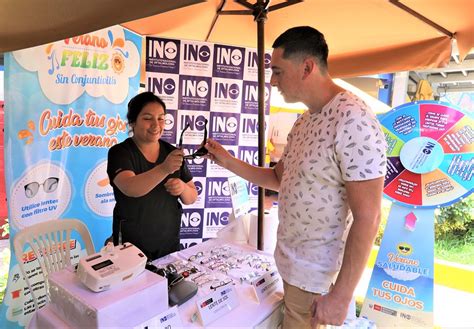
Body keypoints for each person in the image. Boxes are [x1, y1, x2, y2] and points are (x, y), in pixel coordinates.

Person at [205, 26, 387, 328]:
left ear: (307, 67)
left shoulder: (353, 119)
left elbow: (368, 216)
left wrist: (341, 296)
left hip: (318, 284)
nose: (273, 81)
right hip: (290, 270)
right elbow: (278, 179)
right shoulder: (304, 121)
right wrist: (226, 161)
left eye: (278, 71)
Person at [107, 92, 198, 260]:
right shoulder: (120, 153)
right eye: (148, 118)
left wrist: (182, 187)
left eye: (161, 118)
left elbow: (191, 197)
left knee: (167, 285)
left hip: (168, 243)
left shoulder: (172, 153)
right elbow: (130, 187)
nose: (156, 125)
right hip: (130, 246)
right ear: (133, 121)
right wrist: (164, 168)